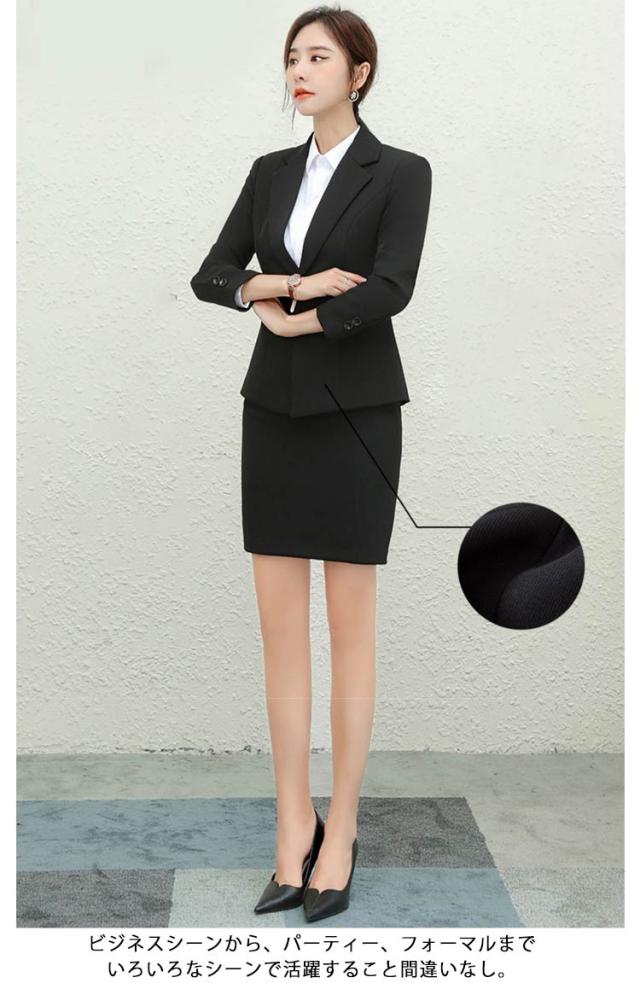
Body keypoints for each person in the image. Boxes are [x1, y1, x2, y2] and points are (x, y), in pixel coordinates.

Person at [190, 5, 432, 922]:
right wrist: (288, 284)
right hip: (274, 416)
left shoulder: (400, 171)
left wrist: (299, 321)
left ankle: (344, 827)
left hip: (357, 414)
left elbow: (393, 285)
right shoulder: (269, 172)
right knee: (279, 632)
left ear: (358, 73)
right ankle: (293, 824)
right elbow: (214, 274)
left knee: (350, 628)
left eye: (319, 56)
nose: (299, 70)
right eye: (292, 56)